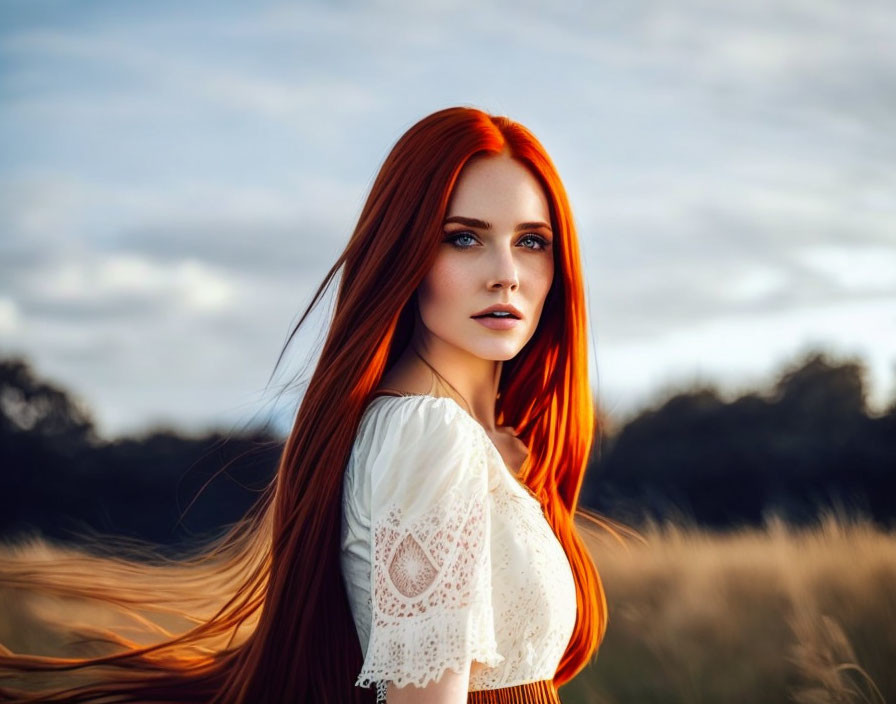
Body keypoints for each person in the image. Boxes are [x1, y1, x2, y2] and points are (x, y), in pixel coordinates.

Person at [0, 106, 622, 703]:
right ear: (404, 251)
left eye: (532, 241)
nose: (506, 273)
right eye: (463, 238)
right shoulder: (429, 436)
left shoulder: (443, 438)